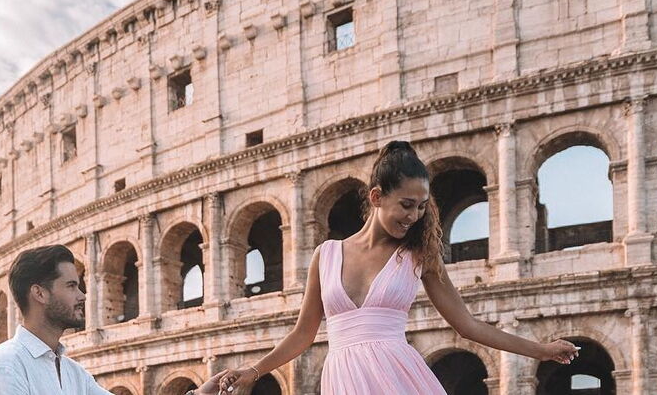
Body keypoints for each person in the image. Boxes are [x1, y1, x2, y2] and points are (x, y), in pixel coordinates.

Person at [218, 141, 579, 394]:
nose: (414, 216)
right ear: (376, 197)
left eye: (421, 206)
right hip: (344, 379)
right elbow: (303, 335)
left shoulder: (420, 255)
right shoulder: (324, 255)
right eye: (406, 204)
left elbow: (467, 325)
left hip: (398, 375)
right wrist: (253, 371)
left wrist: (541, 350)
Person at [0, 244, 226, 395]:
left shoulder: (73, 373)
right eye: (72, 286)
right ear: (39, 293)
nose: (82, 295)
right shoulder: (5, 365)